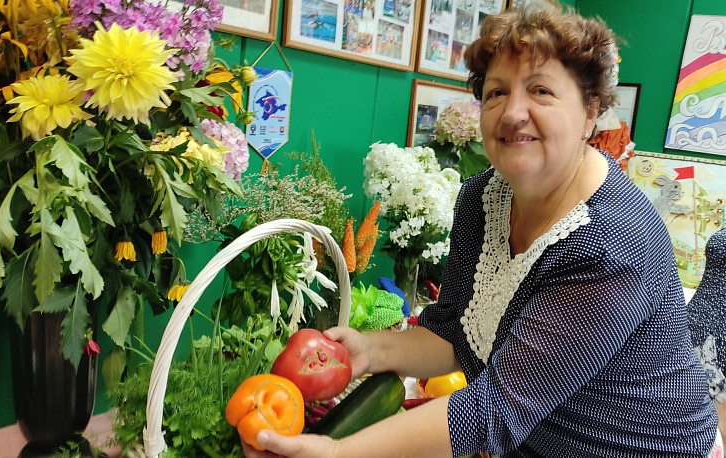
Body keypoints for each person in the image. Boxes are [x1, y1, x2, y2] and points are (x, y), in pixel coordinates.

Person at [243, 4, 720, 457]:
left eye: (541, 91)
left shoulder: (612, 242)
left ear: (590, 112)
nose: (513, 112)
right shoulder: (483, 198)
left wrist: (338, 451)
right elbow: (458, 333)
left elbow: (495, 407)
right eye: (496, 92)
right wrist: (372, 350)